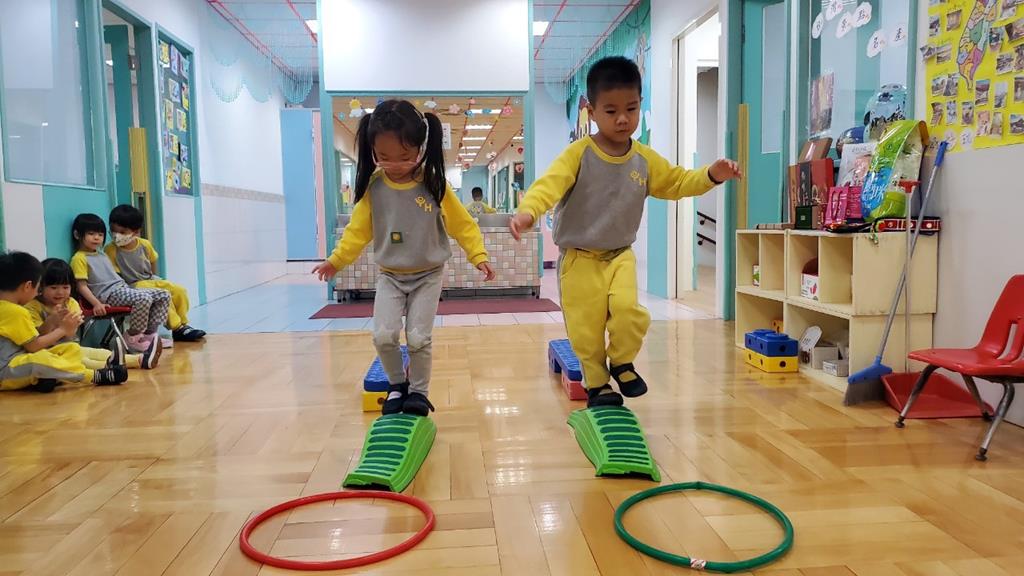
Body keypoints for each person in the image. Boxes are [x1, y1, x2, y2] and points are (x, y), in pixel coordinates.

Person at [509, 56, 742, 408]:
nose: (622, 119)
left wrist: (711, 174)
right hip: (580, 260)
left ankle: (621, 361)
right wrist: (528, 213)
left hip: (619, 255)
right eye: (611, 111)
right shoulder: (579, 154)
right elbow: (548, 186)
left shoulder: (643, 160)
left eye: (631, 109)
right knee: (586, 330)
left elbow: (678, 182)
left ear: (640, 103)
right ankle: (597, 383)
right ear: (591, 111)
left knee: (628, 311)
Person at [313, 99, 495, 416]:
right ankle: (398, 384)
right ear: (372, 150)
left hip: (428, 275)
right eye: (384, 157)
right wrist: (336, 260)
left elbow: (462, 224)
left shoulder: (433, 184)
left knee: (418, 337)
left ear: (421, 148)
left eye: (405, 156)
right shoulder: (374, 189)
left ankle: (419, 392)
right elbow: (357, 231)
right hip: (390, 276)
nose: (395, 165)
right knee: (383, 336)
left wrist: (478, 255)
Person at [0, 251, 127, 392]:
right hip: (5, 371)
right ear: (28, 286)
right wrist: (63, 330)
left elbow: (33, 338)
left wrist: (54, 322)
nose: (37, 293)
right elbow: (34, 346)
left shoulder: (10, 309)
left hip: (18, 363)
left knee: (70, 349)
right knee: (43, 359)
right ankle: (97, 375)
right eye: (38, 288)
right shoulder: (16, 312)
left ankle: (49, 378)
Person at [70, 213, 165, 365]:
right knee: (144, 298)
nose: (96, 238)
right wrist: (96, 304)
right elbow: (81, 286)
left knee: (163, 295)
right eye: (91, 234)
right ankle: (132, 336)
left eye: (100, 235)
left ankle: (149, 335)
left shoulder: (102, 255)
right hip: (107, 295)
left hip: (121, 289)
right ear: (77, 235)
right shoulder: (79, 258)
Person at [105, 204, 206, 342]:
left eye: (122, 232)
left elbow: (153, 261)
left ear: (135, 232)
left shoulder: (145, 245)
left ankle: (183, 324)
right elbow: (115, 275)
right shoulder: (111, 250)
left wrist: (153, 279)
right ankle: (177, 327)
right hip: (132, 286)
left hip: (150, 279)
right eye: (113, 231)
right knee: (161, 294)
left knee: (179, 291)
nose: (117, 236)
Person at [25, 259, 147, 370]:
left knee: (96, 353)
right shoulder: (32, 306)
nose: (60, 292)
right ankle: (110, 368)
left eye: (65, 287)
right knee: (83, 362)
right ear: (40, 287)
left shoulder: (70, 303)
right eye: (53, 287)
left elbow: (71, 334)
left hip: (71, 346)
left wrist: (66, 324)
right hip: (48, 352)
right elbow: (37, 338)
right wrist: (52, 320)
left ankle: (140, 359)